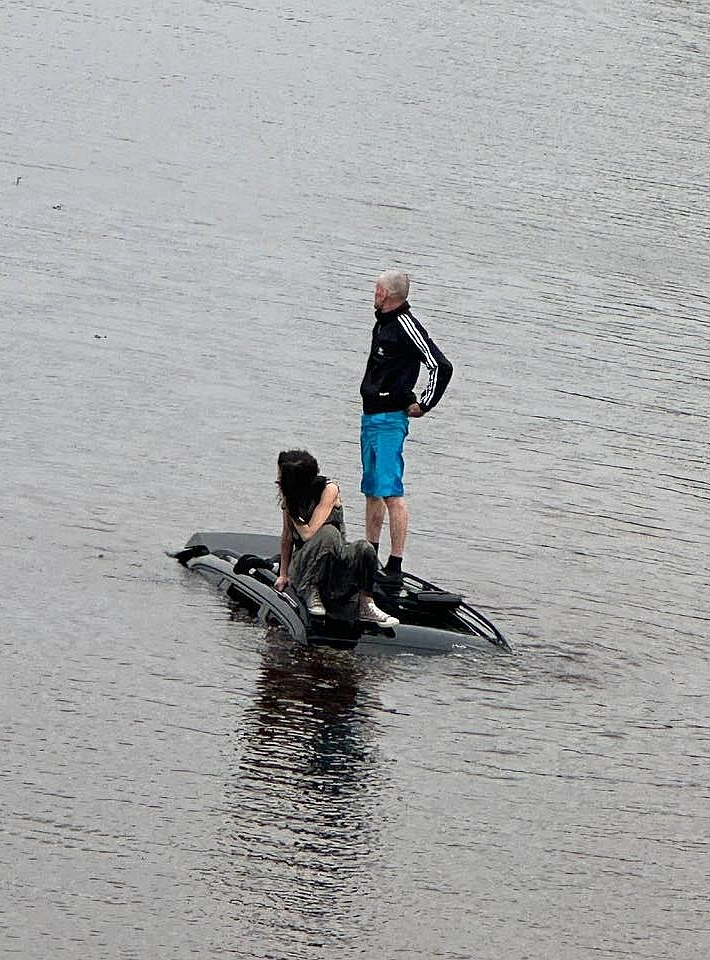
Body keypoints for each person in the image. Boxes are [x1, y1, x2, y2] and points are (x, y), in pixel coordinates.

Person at [360, 270, 453, 581]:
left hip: (390, 418)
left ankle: (395, 564)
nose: (374, 293)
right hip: (370, 415)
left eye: (377, 289)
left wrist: (424, 403)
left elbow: (440, 365)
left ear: (387, 294)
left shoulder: (405, 324)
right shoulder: (382, 323)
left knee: (391, 491)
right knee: (372, 489)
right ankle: (368, 556)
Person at [273, 449, 399, 626]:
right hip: (304, 565)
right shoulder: (290, 497)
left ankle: (366, 604)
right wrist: (283, 574)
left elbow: (309, 532)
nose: (277, 479)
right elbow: (287, 536)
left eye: (280, 475)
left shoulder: (329, 489)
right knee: (328, 533)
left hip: (334, 562)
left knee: (362, 547)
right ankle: (310, 590)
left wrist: (294, 515)